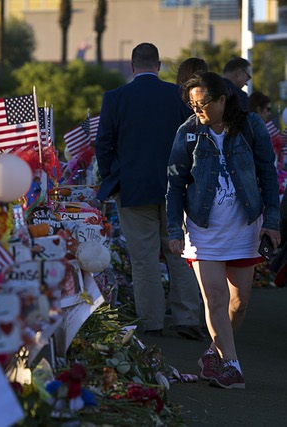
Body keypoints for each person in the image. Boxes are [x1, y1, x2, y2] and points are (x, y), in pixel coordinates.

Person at [166, 71, 280, 389]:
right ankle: (232, 366)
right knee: (214, 297)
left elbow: (268, 176)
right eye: (192, 105)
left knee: (238, 303)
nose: (198, 111)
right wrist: (174, 228)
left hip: (244, 226)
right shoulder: (187, 132)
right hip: (203, 230)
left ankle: (213, 354)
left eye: (203, 104)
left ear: (222, 99)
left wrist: (272, 221)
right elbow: (175, 184)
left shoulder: (250, 126)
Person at [95, 42, 204, 340]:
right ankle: (187, 317)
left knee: (144, 259)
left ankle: (152, 321)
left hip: (134, 189)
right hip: (177, 189)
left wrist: (112, 178)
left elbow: (103, 145)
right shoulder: (178, 97)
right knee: (180, 255)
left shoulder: (115, 98)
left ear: (132, 67)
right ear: (158, 66)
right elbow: (195, 139)